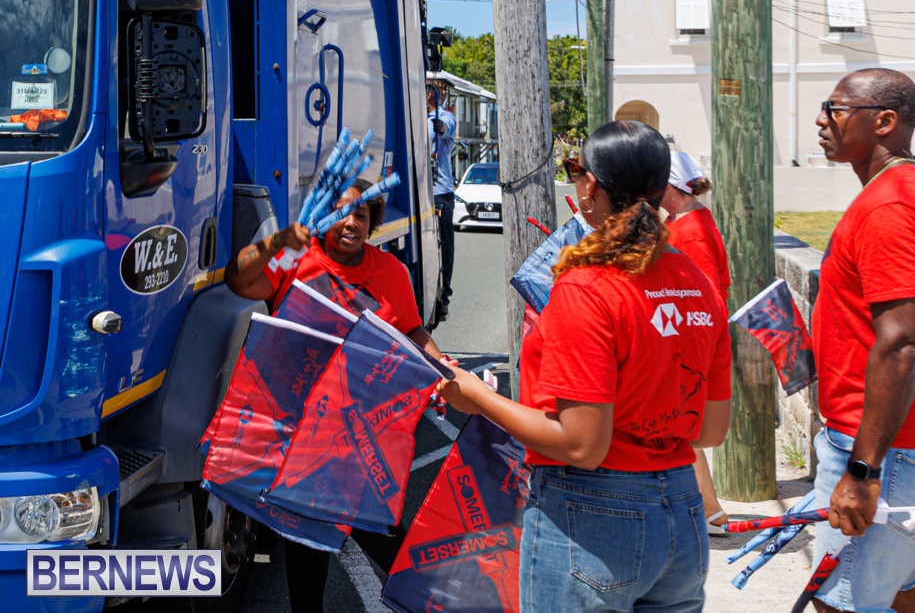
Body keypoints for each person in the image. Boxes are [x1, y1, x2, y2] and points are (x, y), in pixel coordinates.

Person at [436, 120, 733, 612]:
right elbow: (711, 430)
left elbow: (581, 444)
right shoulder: (697, 283)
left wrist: (478, 397)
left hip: (594, 517)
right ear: (662, 191)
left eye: (575, 169)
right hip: (681, 514)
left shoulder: (587, 287)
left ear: (590, 186)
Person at [225, 178, 444, 612]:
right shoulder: (297, 258)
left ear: (373, 222)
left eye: (361, 215)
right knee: (307, 540)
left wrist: (442, 369)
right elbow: (237, 280)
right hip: (302, 430)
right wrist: (282, 237)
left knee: (377, 526)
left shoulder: (391, 272)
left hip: (362, 429)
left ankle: (434, 601)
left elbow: (413, 330)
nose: (351, 222)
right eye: (342, 212)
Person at [810, 69, 915, 613]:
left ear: (884, 121)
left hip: (891, 447)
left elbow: (902, 343)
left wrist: (863, 470)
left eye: (835, 108)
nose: (820, 120)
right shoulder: (895, 192)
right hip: (891, 441)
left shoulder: (893, 205)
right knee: (894, 590)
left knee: (840, 602)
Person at [661, 150, 732, 536]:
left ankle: (708, 510)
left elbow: (705, 300)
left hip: (689, 344)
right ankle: (708, 510)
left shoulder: (692, 231)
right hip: (689, 340)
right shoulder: (688, 222)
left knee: (683, 430)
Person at [427, 81, 457, 321]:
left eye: (433, 88)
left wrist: (440, 127)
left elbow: (447, 127)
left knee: (445, 243)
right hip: (418, 190)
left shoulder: (444, 116)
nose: (429, 91)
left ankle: (444, 293)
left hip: (440, 190)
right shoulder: (414, 114)